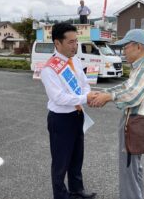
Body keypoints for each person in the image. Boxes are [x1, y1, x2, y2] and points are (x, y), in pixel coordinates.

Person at [89, 29, 144, 199]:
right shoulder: (140, 66)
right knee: (133, 169)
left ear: (138, 47)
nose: (123, 51)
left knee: (129, 170)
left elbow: (133, 94)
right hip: (134, 122)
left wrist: (108, 96)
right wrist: (104, 92)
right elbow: (126, 86)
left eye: (126, 47)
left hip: (135, 123)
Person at [40, 22, 97, 199]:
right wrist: (85, 98)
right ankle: (61, 195)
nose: (75, 45)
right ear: (57, 43)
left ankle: (76, 190)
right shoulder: (49, 69)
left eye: (76, 41)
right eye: (71, 42)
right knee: (60, 162)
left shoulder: (76, 61)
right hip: (60, 119)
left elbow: (84, 84)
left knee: (76, 157)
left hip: (77, 115)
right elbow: (59, 98)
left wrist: (86, 95)